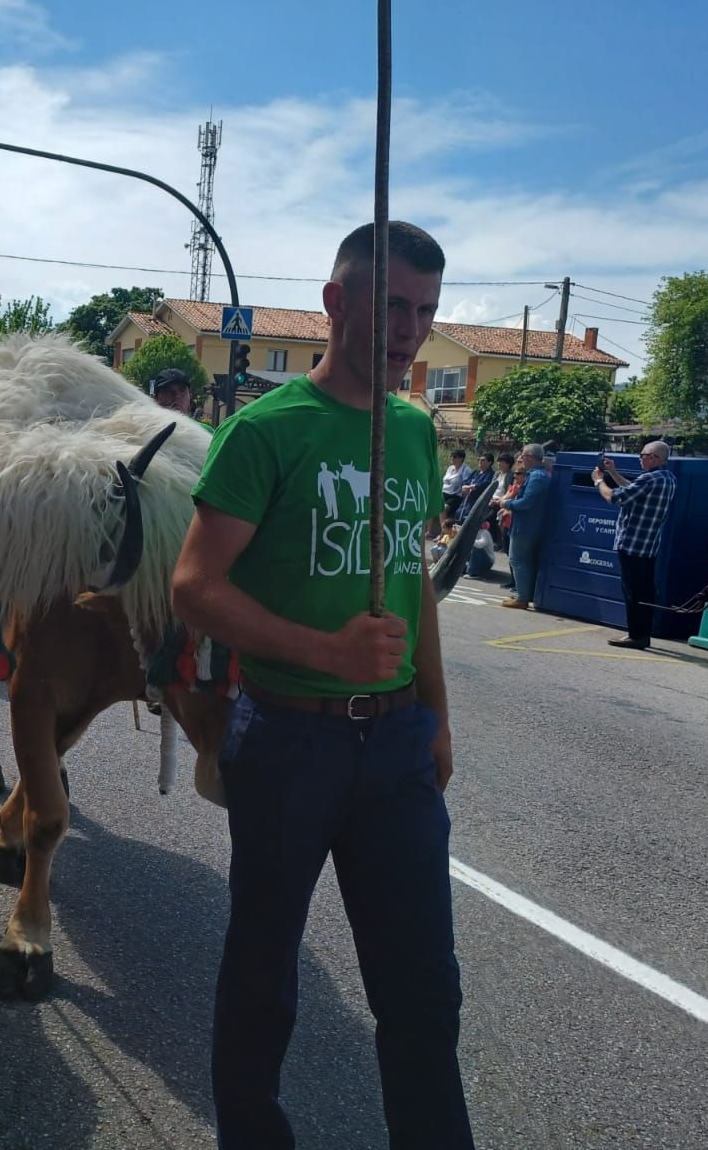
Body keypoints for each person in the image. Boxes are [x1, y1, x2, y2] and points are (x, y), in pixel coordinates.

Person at [173, 219, 472, 1149]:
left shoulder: (417, 432)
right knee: (265, 980)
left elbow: (410, 576)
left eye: (424, 312)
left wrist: (436, 714)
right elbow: (194, 588)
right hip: (286, 739)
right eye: (390, 306)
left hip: (394, 749)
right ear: (337, 303)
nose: (408, 331)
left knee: (424, 990)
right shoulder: (266, 432)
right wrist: (324, 649)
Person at [593, 441, 677, 649]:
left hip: (632, 544)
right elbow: (632, 489)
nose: (640, 458)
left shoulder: (649, 479)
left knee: (633, 592)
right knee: (645, 591)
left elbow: (615, 497)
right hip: (648, 546)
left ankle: (636, 635)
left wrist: (598, 481)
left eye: (643, 454)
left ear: (654, 458)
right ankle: (642, 633)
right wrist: (613, 471)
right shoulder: (667, 477)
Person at [498, 443, 549, 610]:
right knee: (523, 561)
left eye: (523, 456)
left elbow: (527, 502)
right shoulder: (537, 475)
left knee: (518, 560)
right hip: (528, 525)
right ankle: (524, 593)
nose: (520, 459)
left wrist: (506, 503)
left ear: (531, 457)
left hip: (525, 527)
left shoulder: (537, 477)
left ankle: (522, 597)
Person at [456, 452, 495, 523]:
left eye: (483, 460)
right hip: (467, 499)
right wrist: (465, 487)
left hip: (477, 499)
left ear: (489, 462)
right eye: (479, 459)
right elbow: (466, 481)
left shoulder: (490, 474)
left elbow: (484, 484)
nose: (480, 461)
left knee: (469, 518)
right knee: (459, 514)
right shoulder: (476, 472)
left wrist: (472, 487)